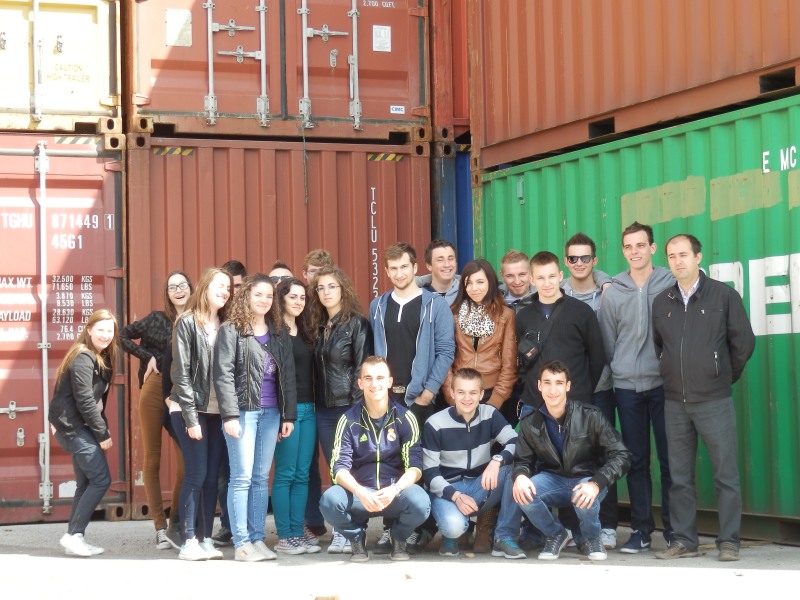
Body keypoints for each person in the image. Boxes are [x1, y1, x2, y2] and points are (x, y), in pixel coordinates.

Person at [653, 234, 755, 562]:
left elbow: (743, 344)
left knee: (726, 475)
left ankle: (729, 542)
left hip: (714, 401)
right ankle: (684, 540)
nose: (678, 261)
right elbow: (660, 348)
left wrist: (720, 376)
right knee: (679, 477)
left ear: (698, 257)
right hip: (675, 403)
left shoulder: (724, 296)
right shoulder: (662, 302)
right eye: (672, 256)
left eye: (684, 254)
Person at [370, 242, 455, 552]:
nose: (399, 273)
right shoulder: (378, 305)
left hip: (419, 398)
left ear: (415, 268)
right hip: (385, 399)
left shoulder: (435, 305)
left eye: (404, 266)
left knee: (416, 464)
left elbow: (446, 351)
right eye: (393, 268)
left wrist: (429, 391)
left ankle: (415, 529)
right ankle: (390, 528)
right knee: (387, 463)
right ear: (386, 271)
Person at [598, 222, 675, 553]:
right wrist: (620, 370)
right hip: (627, 388)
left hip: (664, 386)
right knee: (636, 461)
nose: (635, 252)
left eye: (640, 245)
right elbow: (607, 342)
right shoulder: (614, 292)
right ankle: (642, 530)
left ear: (652, 248)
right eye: (628, 246)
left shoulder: (669, 283)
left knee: (671, 460)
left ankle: (675, 530)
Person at [512, 360, 631, 561]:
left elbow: (622, 454)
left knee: (584, 496)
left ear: (568, 386)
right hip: (553, 480)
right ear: (539, 386)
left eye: (559, 383)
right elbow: (522, 460)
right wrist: (520, 475)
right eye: (547, 383)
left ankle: (592, 538)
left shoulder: (590, 416)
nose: (553, 390)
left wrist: (596, 483)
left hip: (587, 479)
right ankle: (556, 534)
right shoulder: (530, 422)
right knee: (522, 492)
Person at [214, 274, 297, 562]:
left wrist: (288, 415)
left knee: (261, 478)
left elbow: (288, 375)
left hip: (272, 413)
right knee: (242, 478)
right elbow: (223, 374)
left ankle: (257, 538)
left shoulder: (278, 331)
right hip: (243, 413)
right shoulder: (231, 329)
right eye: (258, 294)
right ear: (246, 296)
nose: (264, 300)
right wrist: (229, 415)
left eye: (269, 296)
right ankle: (241, 543)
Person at [319, 357, 431, 562]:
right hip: (360, 495)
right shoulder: (348, 420)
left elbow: (415, 467)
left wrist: (395, 489)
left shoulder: (405, 418)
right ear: (360, 383)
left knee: (421, 503)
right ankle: (356, 538)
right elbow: (338, 468)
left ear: (389, 382)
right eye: (368, 378)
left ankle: (398, 537)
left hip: (393, 493)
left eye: (380, 378)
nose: (374, 384)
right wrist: (360, 492)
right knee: (329, 501)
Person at [121, 271, 192, 551]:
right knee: (152, 459)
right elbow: (121, 335)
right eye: (172, 287)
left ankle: (176, 522)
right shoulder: (156, 319)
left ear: (191, 289)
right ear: (167, 293)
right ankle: (160, 528)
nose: (178, 290)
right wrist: (146, 355)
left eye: (182, 285)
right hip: (154, 387)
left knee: (187, 462)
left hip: (180, 393)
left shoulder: (196, 320)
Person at [423, 368, 523, 559]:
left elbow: (515, 441)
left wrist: (497, 460)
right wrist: (456, 496)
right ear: (452, 393)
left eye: (473, 392)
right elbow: (430, 474)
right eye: (461, 392)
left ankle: (504, 537)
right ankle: (451, 536)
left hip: (479, 485)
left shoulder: (489, 414)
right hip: (448, 490)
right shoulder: (435, 423)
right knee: (454, 527)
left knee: (514, 470)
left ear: (481, 394)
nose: (467, 398)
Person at [168, 267, 232, 560]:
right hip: (189, 409)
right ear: (205, 287)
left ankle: (205, 538)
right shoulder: (187, 322)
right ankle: (188, 541)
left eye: (228, 288)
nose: (224, 292)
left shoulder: (226, 324)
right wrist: (191, 417)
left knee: (210, 478)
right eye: (219, 286)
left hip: (217, 411)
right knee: (196, 474)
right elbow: (180, 373)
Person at [310, 265, 372, 553]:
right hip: (323, 409)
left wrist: (357, 409)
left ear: (343, 289)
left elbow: (361, 367)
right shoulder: (318, 326)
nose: (326, 292)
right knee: (337, 470)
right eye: (321, 288)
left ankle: (354, 530)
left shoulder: (357, 324)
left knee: (353, 468)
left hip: (349, 407)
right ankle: (342, 529)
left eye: (332, 286)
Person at [562, 233, 618, 549]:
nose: (579, 263)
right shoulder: (556, 292)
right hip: (569, 393)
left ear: (594, 261)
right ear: (566, 261)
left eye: (585, 258)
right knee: (570, 459)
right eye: (573, 258)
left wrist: (605, 281)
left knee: (604, 456)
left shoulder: (609, 293)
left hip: (601, 388)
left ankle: (607, 526)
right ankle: (573, 528)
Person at [49, 308, 120, 557]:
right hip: (73, 427)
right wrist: (103, 434)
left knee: (86, 483)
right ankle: (73, 535)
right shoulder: (83, 357)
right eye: (100, 329)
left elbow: (94, 402)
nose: (106, 335)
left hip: (79, 426)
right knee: (101, 480)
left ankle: (75, 537)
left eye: (110, 330)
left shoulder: (99, 357)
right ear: (89, 330)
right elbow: (85, 400)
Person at [516, 251, 606, 416]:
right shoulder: (523, 316)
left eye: (551, 276)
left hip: (574, 403)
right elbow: (519, 360)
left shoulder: (582, 312)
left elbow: (597, 356)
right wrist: (530, 387)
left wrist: (580, 389)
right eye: (541, 278)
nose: (547, 283)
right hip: (535, 404)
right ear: (532, 280)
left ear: (560, 276)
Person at [271, 278, 320, 554]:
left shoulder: (305, 330)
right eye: (293, 297)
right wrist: (282, 416)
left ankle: (297, 530)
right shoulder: (274, 332)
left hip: (309, 409)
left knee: (302, 474)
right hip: (286, 412)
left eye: (302, 297)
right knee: (286, 473)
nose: (299, 302)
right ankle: (285, 535)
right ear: (282, 299)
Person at [443, 259, 516, 411]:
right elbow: (445, 359)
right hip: (460, 393)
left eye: (480, 282)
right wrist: (452, 397)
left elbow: (509, 364)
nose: (474, 288)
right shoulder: (453, 314)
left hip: (492, 392)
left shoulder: (505, 315)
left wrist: (496, 401)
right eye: (469, 283)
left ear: (491, 283)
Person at [211, 259, 248, 546]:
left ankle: (246, 526)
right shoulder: (216, 315)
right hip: (217, 406)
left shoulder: (250, 314)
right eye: (228, 286)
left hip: (248, 403)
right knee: (224, 470)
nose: (231, 292)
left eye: (237, 286)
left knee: (246, 471)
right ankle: (227, 526)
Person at [300, 248, 335, 541]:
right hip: (303, 396)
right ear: (304, 274)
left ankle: (345, 524)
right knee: (306, 464)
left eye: (322, 273)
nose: (316, 279)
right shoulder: (298, 304)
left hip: (329, 398)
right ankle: (312, 520)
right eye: (312, 272)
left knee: (339, 461)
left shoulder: (334, 306)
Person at [415, 239, 460, 306]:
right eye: (440, 260)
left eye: (450, 259)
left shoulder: (467, 293)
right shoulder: (419, 297)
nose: (447, 264)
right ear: (429, 266)